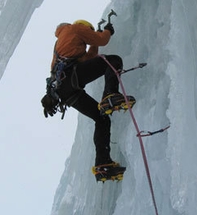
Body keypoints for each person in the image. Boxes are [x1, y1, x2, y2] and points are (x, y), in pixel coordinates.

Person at [41, 19, 135, 180]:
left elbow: (88, 59)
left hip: (64, 92)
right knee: (113, 61)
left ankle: (103, 164)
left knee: (102, 119)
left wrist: (95, 40)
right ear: (86, 28)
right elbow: (102, 40)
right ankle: (110, 95)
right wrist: (107, 31)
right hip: (72, 77)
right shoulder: (76, 28)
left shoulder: (62, 45)